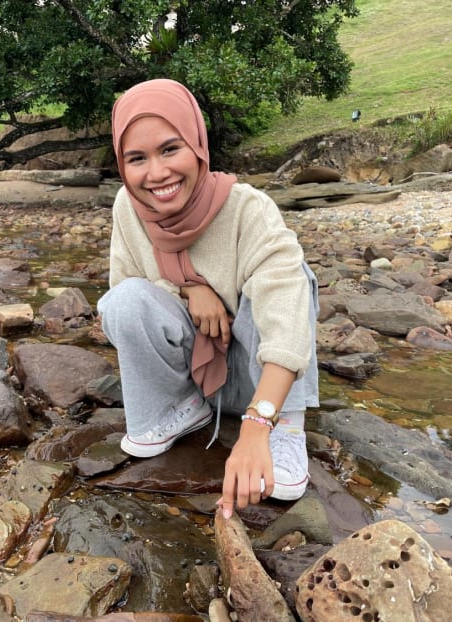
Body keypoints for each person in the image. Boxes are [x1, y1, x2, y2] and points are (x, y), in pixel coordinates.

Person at [96, 78, 319, 519]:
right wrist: (189, 287)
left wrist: (258, 426)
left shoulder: (247, 209)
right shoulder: (128, 206)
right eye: (136, 159)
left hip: (261, 381)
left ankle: (287, 424)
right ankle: (185, 407)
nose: (156, 174)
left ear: (198, 145)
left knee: (295, 278)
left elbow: (286, 313)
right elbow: (126, 286)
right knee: (123, 300)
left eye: (170, 149)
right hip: (198, 379)